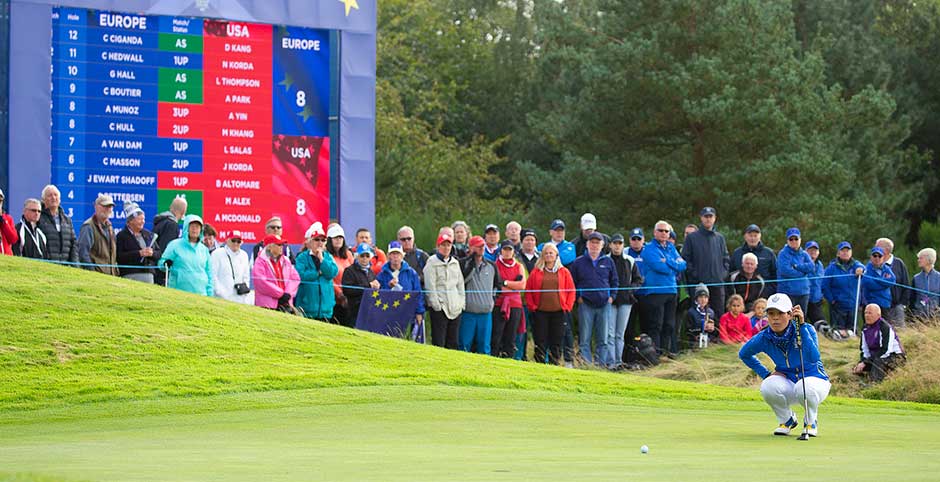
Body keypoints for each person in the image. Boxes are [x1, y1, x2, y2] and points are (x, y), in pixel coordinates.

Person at [739, 293, 830, 437]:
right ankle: (786, 420)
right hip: (789, 382)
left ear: (790, 314)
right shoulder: (764, 337)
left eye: (780, 313)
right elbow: (744, 354)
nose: (775, 318)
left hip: (815, 381)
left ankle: (811, 422)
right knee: (768, 385)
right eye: (771, 313)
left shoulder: (806, 330)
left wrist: (802, 327)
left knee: (803, 386)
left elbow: (814, 357)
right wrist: (766, 374)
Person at [569, 231, 618, 366]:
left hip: (604, 304)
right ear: (587, 244)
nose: (595, 245)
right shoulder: (578, 262)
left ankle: (600, 365)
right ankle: (587, 365)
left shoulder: (608, 261)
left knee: (603, 339)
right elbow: (573, 282)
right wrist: (578, 297)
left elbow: (614, 281)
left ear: (602, 245)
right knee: (585, 338)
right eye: (592, 242)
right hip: (586, 305)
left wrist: (612, 297)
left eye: (597, 243)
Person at [525, 243, 576, 365]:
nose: (548, 255)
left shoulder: (564, 272)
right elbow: (528, 290)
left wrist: (567, 306)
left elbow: (571, 291)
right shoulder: (536, 272)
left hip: (559, 312)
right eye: (546, 253)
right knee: (540, 340)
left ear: (556, 255)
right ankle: (540, 365)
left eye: (551, 253)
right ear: (542, 255)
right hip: (540, 312)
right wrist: (533, 307)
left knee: (556, 341)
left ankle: (555, 365)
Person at [641, 221, 687, 354]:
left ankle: (665, 353)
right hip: (656, 292)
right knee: (656, 325)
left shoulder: (671, 248)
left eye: (666, 231)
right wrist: (673, 265)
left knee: (669, 325)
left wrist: (667, 261)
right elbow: (659, 267)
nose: (664, 233)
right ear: (655, 232)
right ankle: (655, 354)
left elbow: (682, 265)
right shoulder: (649, 248)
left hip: (671, 291)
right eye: (661, 230)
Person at [539, 219, 578, 366]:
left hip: (562, 303)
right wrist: (550, 252)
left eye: (561, 230)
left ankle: (568, 361)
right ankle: (545, 360)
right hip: (544, 305)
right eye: (556, 230)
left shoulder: (569, 246)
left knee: (565, 332)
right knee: (544, 334)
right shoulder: (542, 246)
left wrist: (550, 253)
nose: (559, 233)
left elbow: (568, 258)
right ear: (550, 232)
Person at [681, 207, 730, 318]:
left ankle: (717, 336)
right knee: (698, 316)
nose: (708, 219)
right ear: (701, 218)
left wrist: (722, 275)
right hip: (699, 285)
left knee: (718, 315)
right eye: (706, 216)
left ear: (715, 218)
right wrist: (696, 275)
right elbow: (686, 260)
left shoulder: (720, 238)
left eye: (710, 216)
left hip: (717, 283)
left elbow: (726, 258)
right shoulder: (692, 238)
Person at [460, 235, 501, 354]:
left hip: (486, 313)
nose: (482, 248)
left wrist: (491, 300)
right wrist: (472, 264)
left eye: (483, 246)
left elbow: (497, 286)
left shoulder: (491, 265)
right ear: (471, 248)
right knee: (464, 345)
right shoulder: (463, 264)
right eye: (478, 246)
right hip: (468, 312)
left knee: (484, 346)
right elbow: (462, 280)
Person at [424, 232, 465, 349]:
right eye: (443, 245)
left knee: (453, 342)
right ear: (438, 246)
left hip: (455, 307)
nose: (446, 248)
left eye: (448, 245)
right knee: (439, 341)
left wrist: (461, 303)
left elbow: (460, 284)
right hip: (440, 308)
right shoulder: (432, 262)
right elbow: (430, 286)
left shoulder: (455, 263)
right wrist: (437, 306)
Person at [376, 240, 425, 338]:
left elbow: (418, 293)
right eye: (392, 254)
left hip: (408, 312)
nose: (395, 257)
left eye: (397, 254)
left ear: (402, 255)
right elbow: (379, 295)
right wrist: (388, 286)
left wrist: (419, 312)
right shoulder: (382, 274)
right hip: (389, 313)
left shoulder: (411, 273)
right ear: (388, 256)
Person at [609, 233, 643, 367]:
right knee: (610, 334)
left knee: (619, 334)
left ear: (623, 245)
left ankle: (618, 361)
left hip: (626, 302)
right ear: (610, 245)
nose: (617, 246)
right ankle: (611, 362)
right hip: (611, 301)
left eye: (620, 243)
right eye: (615, 243)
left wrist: (630, 290)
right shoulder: (606, 260)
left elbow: (638, 280)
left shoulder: (629, 260)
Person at [294, 222, 339, 320]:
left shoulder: (328, 257)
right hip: (307, 308)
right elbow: (300, 276)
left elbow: (332, 272)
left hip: (325, 309)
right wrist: (317, 273)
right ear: (310, 242)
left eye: (323, 240)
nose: (320, 243)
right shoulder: (302, 257)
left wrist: (322, 260)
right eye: (317, 239)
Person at [159, 215, 213, 296]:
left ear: (201, 230)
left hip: (201, 294)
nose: (195, 229)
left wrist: (210, 294)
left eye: (197, 227)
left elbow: (209, 273)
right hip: (178, 293)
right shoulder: (174, 245)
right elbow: (162, 264)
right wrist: (165, 264)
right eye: (192, 226)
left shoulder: (204, 250)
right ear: (186, 228)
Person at [821, 241, 865, 339]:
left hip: (853, 305)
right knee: (837, 333)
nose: (845, 252)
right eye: (843, 250)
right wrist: (832, 300)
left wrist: (861, 269)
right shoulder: (831, 268)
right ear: (838, 253)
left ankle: (850, 349)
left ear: (851, 252)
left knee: (852, 331)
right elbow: (824, 286)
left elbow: (863, 268)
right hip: (837, 305)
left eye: (847, 250)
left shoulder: (856, 265)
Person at [853, 304, 906, 383]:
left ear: (878, 315)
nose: (867, 315)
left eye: (870, 313)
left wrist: (868, 361)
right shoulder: (865, 328)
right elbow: (864, 349)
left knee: (878, 362)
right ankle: (861, 382)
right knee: (858, 368)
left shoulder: (885, 327)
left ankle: (874, 384)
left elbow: (886, 350)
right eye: (865, 313)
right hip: (876, 357)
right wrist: (863, 361)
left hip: (895, 356)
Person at [493, 240, 526, 358]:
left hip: (515, 305)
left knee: (511, 335)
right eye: (505, 249)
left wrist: (506, 282)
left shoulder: (519, 266)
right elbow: (498, 286)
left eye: (509, 250)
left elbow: (522, 286)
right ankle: (495, 359)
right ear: (501, 250)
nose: (507, 252)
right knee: (497, 334)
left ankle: (508, 358)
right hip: (499, 303)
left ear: (513, 252)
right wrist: (513, 285)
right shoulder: (495, 264)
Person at [253, 234, 301, 312]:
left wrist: (287, 294)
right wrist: (280, 294)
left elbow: (295, 278)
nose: (282, 247)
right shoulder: (260, 261)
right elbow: (261, 283)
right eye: (279, 244)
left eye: (282, 244)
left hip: (285, 303)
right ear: (269, 246)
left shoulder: (286, 260)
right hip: (267, 305)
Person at [115, 202, 160, 283]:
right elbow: (119, 257)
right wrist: (139, 253)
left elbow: (159, 253)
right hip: (130, 274)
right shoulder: (121, 236)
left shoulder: (148, 235)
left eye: (143, 219)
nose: (143, 222)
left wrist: (152, 253)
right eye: (139, 219)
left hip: (148, 274)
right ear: (131, 221)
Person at [77, 194, 119, 276]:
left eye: (110, 207)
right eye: (105, 206)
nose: (108, 209)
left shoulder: (110, 228)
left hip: (111, 276)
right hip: (95, 276)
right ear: (96, 207)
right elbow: (83, 253)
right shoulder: (88, 226)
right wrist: (92, 273)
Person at [776, 227, 815, 313]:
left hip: (803, 292)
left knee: (801, 318)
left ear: (800, 240)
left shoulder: (804, 253)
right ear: (787, 241)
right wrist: (803, 272)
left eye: (796, 239)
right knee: (788, 318)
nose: (794, 241)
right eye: (791, 239)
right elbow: (785, 271)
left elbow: (811, 266)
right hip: (788, 292)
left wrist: (797, 266)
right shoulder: (783, 254)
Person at [730, 224, 777, 293]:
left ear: (760, 236)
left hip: (763, 294)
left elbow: (775, 274)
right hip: (740, 295)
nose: (753, 238)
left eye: (755, 236)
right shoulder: (737, 253)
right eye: (750, 236)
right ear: (745, 237)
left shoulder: (769, 253)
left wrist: (769, 291)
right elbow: (731, 273)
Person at [876, 238, 911, 327]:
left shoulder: (899, 264)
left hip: (896, 307)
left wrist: (903, 304)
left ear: (886, 250)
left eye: (877, 247)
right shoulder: (874, 264)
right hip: (879, 307)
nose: (875, 249)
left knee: (899, 333)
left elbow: (906, 285)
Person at [152, 196, 187, 285]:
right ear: (183, 212)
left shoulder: (161, 222)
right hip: (161, 272)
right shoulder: (171, 225)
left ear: (171, 208)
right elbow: (167, 250)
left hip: (153, 267)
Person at [342, 243, 381, 322]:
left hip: (368, 310)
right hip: (355, 312)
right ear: (357, 256)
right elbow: (347, 290)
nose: (364, 258)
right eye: (362, 255)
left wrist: (377, 287)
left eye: (367, 256)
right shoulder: (349, 271)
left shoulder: (371, 272)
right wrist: (368, 286)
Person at [210, 230, 251, 304]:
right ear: (227, 240)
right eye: (233, 240)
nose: (236, 243)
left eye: (238, 241)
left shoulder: (244, 255)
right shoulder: (217, 254)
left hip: (239, 299)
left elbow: (246, 276)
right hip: (220, 299)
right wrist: (220, 292)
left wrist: (244, 293)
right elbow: (213, 275)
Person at [327, 224, 355, 326]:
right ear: (330, 239)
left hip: (348, 296)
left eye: (340, 237)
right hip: (334, 299)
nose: (338, 240)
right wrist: (339, 294)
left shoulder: (348, 254)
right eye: (335, 237)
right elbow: (329, 278)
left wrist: (348, 294)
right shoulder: (327, 255)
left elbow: (354, 272)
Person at [862, 246, 896, 317]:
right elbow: (868, 283)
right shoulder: (866, 269)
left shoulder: (886, 268)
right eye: (875, 256)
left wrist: (876, 279)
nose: (877, 258)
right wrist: (884, 284)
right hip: (871, 303)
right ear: (871, 257)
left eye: (879, 256)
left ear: (883, 258)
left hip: (885, 303)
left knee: (884, 326)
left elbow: (892, 281)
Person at [912, 248, 940, 319]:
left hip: (936, 317)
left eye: (921, 258)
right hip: (919, 317)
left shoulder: (939, 277)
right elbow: (912, 298)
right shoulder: (916, 278)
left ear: (929, 260)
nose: (918, 260)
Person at [805, 241, 826, 324]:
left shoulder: (820, 265)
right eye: (810, 250)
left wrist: (822, 295)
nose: (813, 252)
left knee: (821, 325)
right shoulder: (802, 263)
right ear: (805, 251)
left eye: (815, 250)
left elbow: (823, 282)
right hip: (803, 299)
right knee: (801, 325)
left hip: (816, 300)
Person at [0, 189, 17, 256]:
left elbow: (13, 239)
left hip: (7, 257)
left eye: (0, 201)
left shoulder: (8, 218)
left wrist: (3, 222)